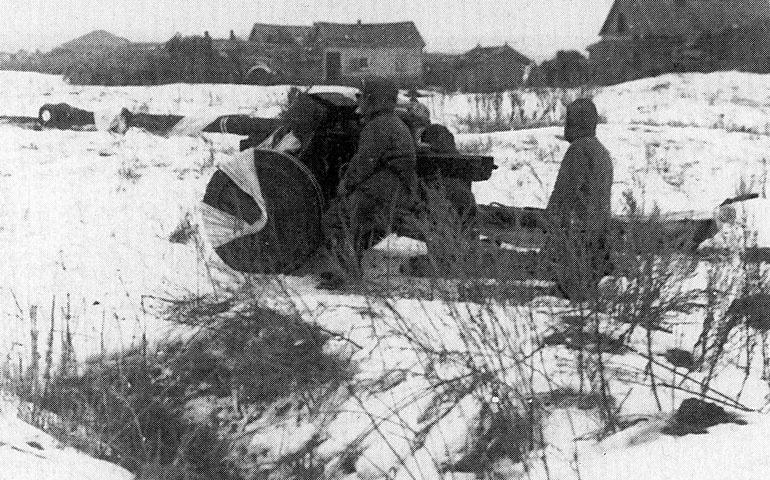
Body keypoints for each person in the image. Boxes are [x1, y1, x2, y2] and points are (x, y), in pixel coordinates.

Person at [318, 77, 419, 287]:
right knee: (359, 223)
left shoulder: (379, 126)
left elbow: (363, 163)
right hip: (395, 186)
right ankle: (349, 265)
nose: (359, 101)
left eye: (361, 96)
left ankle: (343, 273)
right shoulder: (390, 122)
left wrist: (345, 185)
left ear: (373, 100)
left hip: (386, 187)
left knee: (335, 218)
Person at [544, 98, 614, 301]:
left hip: (577, 238)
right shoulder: (601, 151)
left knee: (568, 298)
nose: (565, 126)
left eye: (569, 121)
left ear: (577, 124)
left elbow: (563, 195)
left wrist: (548, 229)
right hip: (598, 235)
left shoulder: (578, 150)